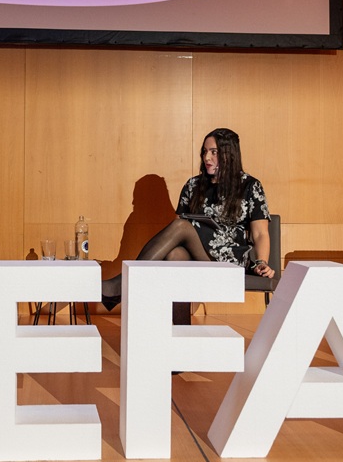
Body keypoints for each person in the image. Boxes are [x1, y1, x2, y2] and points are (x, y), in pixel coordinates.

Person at [101, 127, 273, 324]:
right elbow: (176, 236)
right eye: (205, 151)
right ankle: (178, 327)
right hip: (199, 255)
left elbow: (260, 234)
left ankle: (120, 285)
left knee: (181, 226)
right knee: (175, 254)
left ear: (230, 154)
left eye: (214, 152)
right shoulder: (193, 186)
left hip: (230, 258)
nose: (207, 158)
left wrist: (261, 262)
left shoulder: (250, 186)